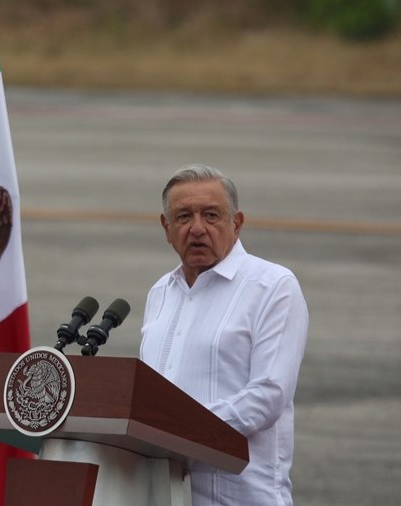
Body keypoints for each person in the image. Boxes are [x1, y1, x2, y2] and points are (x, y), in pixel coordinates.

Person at [140, 163, 308, 505]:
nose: (197, 228)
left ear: (237, 222)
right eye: (184, 217)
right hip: (164, 494)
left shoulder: (272, 286)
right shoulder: (160, 292)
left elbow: (268, 394)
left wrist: (178, 430)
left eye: (212, 216)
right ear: (166, 228)